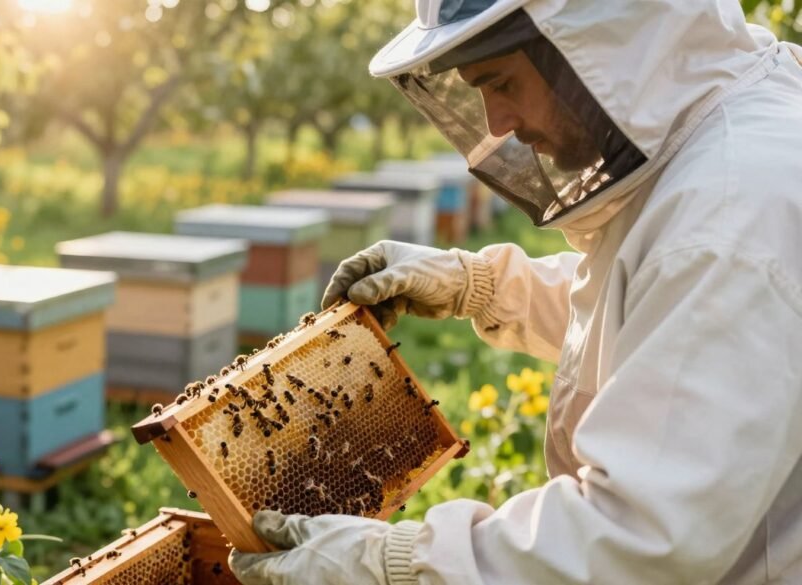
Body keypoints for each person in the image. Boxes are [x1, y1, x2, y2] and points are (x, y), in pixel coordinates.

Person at [229, 0, 802, 583]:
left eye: (501, 82)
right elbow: (660, 317)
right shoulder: (724, 153)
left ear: (597, 46)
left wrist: (394, 565)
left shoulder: (729, 223)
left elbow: (639, 540)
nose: (497, 122)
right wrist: (483, 285)